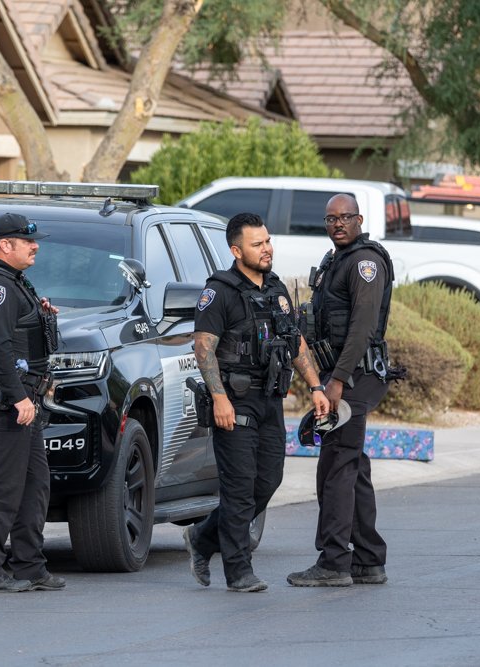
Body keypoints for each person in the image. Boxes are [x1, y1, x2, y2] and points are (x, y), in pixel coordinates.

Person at [185, 212, 329, 592]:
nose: (267, 249)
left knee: (267, 481)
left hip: (269, 399)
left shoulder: (276, 289)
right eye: (257, 244)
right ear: (236, 250)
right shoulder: (219, 291)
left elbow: (295, 340)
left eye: (267, 242)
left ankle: (202, 538)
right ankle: (238, 571)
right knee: (238, 488)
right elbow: (203, 348)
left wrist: (316, 386)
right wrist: (219, 397)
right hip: (234, 400)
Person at [287, 193, 397, 587]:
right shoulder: (336, 260)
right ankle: (368, 559)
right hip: (344, 375)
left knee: (336, 465)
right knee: (352, 464)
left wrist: (336, 382)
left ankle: (334, 561)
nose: (337, 224)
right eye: (330, 219)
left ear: (359, 219)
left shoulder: (364, 263)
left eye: (345, 217)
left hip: (354, 376)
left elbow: (362, 328)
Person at [0, 211, 64, 593]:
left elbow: (18, 335)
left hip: (24, 398)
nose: (35, 246)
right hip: (6, 398)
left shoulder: (15, 284)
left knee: (34, 484)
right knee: (0, 488)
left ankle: (29, 566)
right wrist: (19, 397)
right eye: (27, 241)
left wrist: (41, 315)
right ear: (6, 245)